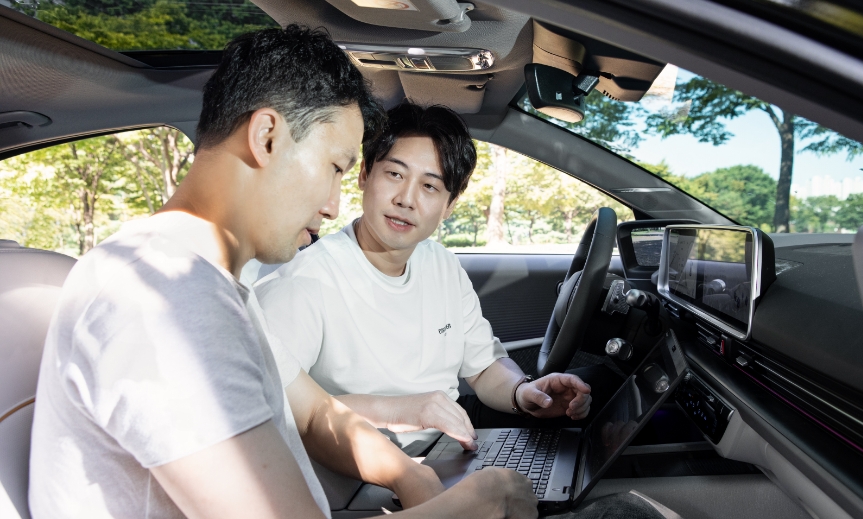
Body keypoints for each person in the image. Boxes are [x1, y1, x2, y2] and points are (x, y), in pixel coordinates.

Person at [28, 26, 536, 519]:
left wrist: (410, 475)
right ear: (267, 137)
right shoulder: (164, 303)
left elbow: (316, 413)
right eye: (336, 168)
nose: (336, 206)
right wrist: (481, 500)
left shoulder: (210, 285)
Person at [256, 102, 623, 451]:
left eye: (430, 186)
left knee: (607, 388)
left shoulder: (441, 264)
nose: (406, 199)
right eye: (395, 174)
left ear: (449, 206)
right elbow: (275, 407)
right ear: (365, 175)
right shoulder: (305, 282)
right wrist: (402, 410)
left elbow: (484, 367)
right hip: (365, 464)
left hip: (450, 439)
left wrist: (523, 394)